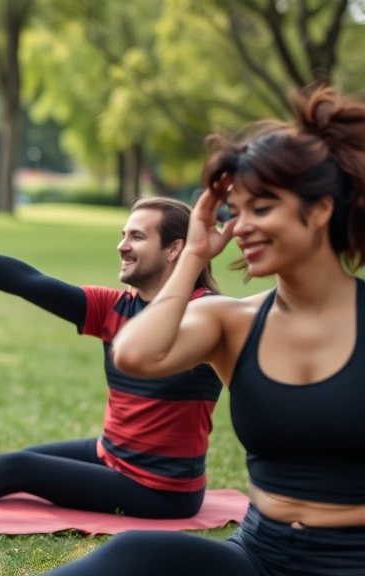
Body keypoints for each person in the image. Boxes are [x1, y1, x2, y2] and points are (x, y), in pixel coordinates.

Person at [43, 86, 365, 575]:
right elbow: (133, 354)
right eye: (235, 212)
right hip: (259, 554)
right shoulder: (231, 321)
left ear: (319, 210)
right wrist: (192, 253)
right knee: (133, 552)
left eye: (262, 208)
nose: (241, 228)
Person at [0, 196, 223, 520]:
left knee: (18, 468)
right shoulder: (114, 307)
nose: (122, 246)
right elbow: (31, 283)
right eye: (123, 234)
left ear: (175, 249)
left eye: (137, 237)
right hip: (110, 453)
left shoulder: (207, 314)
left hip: (161, 490)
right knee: (17, 460)